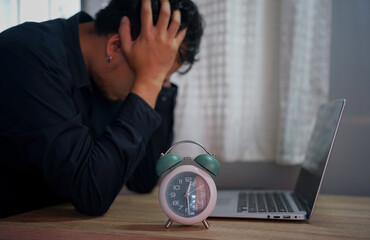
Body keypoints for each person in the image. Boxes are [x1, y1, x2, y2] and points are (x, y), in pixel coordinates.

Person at [0, 0, 203, 218]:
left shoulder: (108, 75)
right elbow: (90, 194)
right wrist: (148, 80)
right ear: (115, 46)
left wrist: (157, 81)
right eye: (155, 74)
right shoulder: (28, 56)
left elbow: (143, 178)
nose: (153, 88)